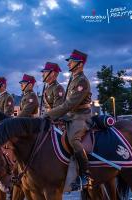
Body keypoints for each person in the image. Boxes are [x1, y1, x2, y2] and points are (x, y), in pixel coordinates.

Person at [44, 49, 92, 190]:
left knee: (73, 139)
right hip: (72, 115)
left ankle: (85, 175)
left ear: (80, 64)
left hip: (81, 116)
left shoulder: (82, 81)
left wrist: (48, 114)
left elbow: (69, 104)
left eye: (71, 61)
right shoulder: (74, 79)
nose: (69, 63)